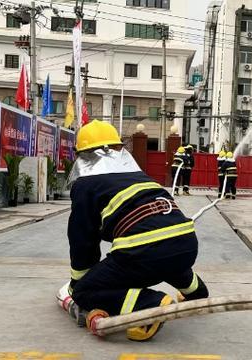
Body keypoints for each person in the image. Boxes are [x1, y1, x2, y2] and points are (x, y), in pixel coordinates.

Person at [62, 120, 209, 340]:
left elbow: (83, 240)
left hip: (143, 251)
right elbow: (163, 237)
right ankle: (197, 294)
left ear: (83, 155)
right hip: (185, 244)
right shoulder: (140, 176)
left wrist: (81, 286)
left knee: (86, 291)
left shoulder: (86, 185)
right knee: (167, 256)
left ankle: (152, 304)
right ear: (117, 149)